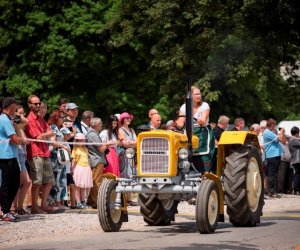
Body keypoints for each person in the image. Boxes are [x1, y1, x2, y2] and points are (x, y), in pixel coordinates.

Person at [25, 95, 56, 214]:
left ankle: (43, 205)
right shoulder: (29, 119)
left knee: (49, 180)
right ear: (29, 105)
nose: (38, 105)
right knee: (37, 181)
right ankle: (34, 206)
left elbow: (50, 131)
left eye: (39, 103)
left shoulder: (40, 119)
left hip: (45, 152)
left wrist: (45, 134)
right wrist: (46, 134)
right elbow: (38, 137)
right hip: (35, 153)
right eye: (35, 103)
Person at [0, 97, 29, 222]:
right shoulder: (4, 119)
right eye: (15, 106)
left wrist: (16, 116)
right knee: (8, 184)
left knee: (14, 183)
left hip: (11, 155)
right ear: (10, 106)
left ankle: (6, 210)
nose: (16, 108)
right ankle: (6, 211)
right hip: (5, 156)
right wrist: (22, 140)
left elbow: (25, 122)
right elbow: (14, 139)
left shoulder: (8, 118)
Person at [177, 86, 215, 173]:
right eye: (196, 94)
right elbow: (180, 123)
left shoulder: (205, 105)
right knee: (186, 155)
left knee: (203, 158)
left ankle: (205, 175)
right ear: (190, 96)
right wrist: (173, 124)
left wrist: (201, 120)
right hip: (189, 133)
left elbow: (203, 120)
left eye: (199, 93)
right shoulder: (184, 107)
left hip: (203, 133)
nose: (199, 95)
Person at [12, 105, 32, 215]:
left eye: (23, 113)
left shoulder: (19, 126)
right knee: (20, 182)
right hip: (17, 154)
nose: (22, 115)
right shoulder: (15, 125)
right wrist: (16, 115)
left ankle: (18, 206)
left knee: (26, 182)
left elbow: (26, 141)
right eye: (20, 113)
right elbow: (23, 140)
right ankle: (14, 207)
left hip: (22, 155)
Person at [47, 109, 69, 209]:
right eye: (61, 117)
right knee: (54, 180)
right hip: (54, 157)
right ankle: (52, 202)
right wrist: (64, 146)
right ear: (56, 118)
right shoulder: (53, 127)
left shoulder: (59, 129)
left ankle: (58, 201)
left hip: (59, 158)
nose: (63, 119)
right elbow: (53, 142)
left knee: (60, 179)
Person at [86, 117, 107, 208]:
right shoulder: (93, 134)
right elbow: (101, 149)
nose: (102, 125)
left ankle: (91, 200)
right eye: (101, 123)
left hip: (94, 160)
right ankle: (95, 201)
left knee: (94, 180)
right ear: (96, 125)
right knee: (96, 181)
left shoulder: (91, 133)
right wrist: (108, 144)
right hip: (97, 160)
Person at [118, 112, 138, 206]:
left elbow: (137, 142)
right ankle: (124, 199)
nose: (129, 120)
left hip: (131, 154)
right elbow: (124, 143)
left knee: (131, 175)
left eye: (129, 118)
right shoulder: (120, 130)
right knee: (124, 174)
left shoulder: (131, 129)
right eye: (127, 118)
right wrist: (132, 142)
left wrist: (130, 142)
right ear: (122, 120)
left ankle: (129, 199)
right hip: (125, 154)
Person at [263, 118, 285, 198]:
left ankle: (272, 191)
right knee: (272, 174)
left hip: (273, 155)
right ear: (272, 124)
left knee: (272, 174)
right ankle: (272, 192)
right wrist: (282, 131)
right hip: (273, 155)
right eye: (274, 124)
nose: (275, 126)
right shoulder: (267, 132)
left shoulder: (270, 132)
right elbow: (281, 139)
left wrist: (276, 132)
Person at [71, 133, 93, 208]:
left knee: (83, 186)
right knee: (78, 186)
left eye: (82, 140)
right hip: (78, 168)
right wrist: (72, 169)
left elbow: (88, 159)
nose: (81, 142)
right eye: (79, 140)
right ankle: (78, 202)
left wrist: (90, 168)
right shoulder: (75, 149)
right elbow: (74, 160)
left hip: (86, 168)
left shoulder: (85, 149)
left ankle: (83, 201)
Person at [288, 126, 300, 195]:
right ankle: (296, 189)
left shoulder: (293, 139)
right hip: (297, 160)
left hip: (296, 160)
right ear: (296, 133)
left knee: (297, 174)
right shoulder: (293, 140)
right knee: (298, 174)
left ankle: (296, 189)